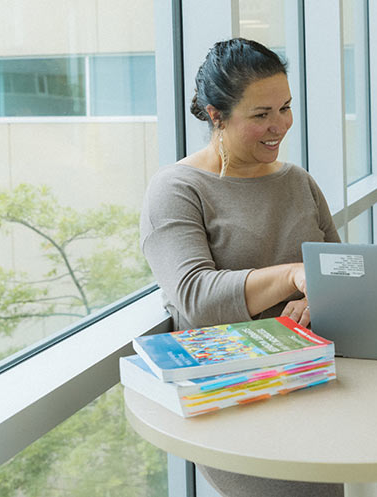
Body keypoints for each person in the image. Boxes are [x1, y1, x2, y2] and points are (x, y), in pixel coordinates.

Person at [139, 37, 342, 497]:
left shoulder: (298, 181)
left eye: (285, 108)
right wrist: (292, 276)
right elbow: (195, 296)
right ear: (216, 114)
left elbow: (338, 268)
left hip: (318, 383)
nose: (280, 126)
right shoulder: (176, 189)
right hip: (237, 402)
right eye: (261, 115)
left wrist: (316, 293)